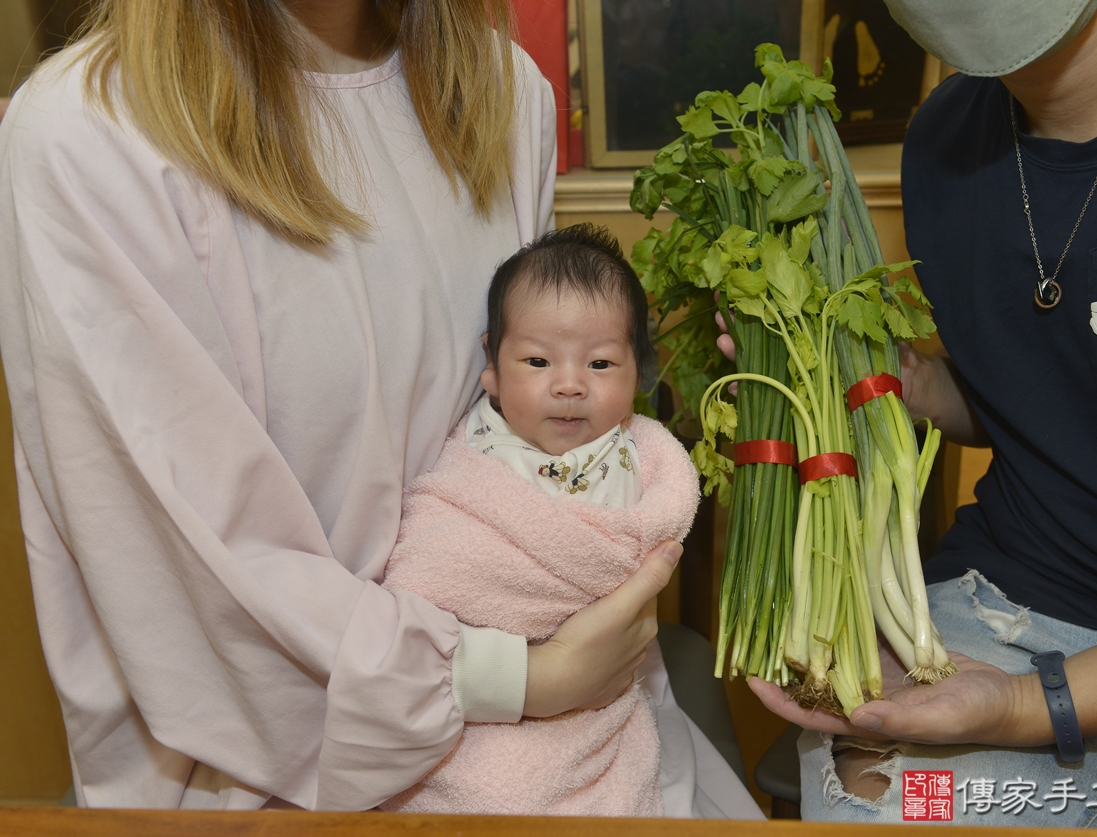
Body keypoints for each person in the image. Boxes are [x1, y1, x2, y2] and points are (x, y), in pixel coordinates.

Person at [0, 0, 684, 811]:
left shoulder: (501, 93)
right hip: (264, 789)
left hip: (574, 753)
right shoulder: (91, 131)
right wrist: (518, 677)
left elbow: (514, 446)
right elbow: (193, 566)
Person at [745, 0, 1097, 829]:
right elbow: (1042, 405)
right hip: (1004, 619)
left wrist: (1026, 704)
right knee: (885, 809)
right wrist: (904, 381)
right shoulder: (944, 143)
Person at [379, 224, 758, 817]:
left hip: (597, 701)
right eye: (537, 360)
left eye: (602, 363)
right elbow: (434, 560)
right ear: (493, 371)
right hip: (479, 686)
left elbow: (650, 534)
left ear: (638, 376)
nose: (570, 385)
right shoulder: (472, 452)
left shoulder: (639, 457)